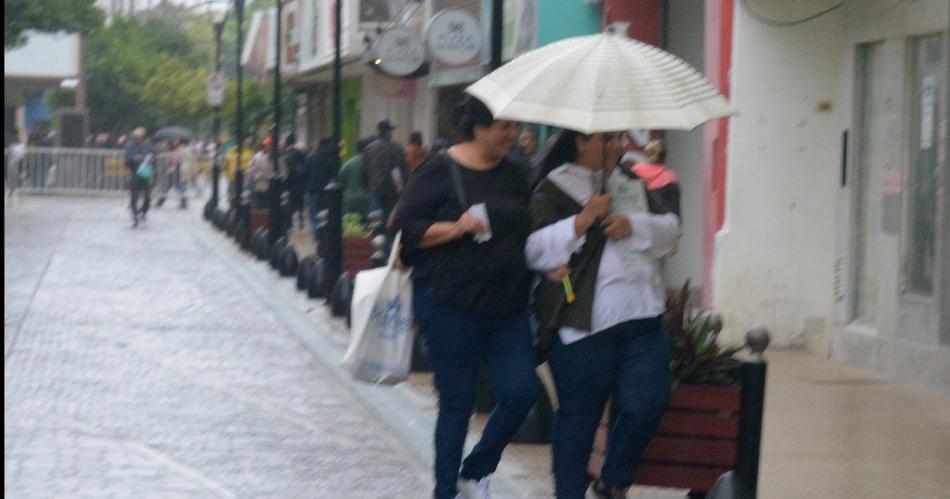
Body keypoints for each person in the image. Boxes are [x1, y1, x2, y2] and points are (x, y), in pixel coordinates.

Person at [391, 96, 539, 499]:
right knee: (457, 402)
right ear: (478, 128)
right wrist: (455, 227)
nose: (513, 134)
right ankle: (445, 491)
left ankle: (474, 470)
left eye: (514, 126)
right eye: (504, 127)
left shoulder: (516, 173)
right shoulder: (439, 169)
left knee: (521, 391)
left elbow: (529, 228)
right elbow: (403, 228)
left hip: (507, 305)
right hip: (448, 304)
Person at [525, 130, 679, 499]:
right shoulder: (552, 188)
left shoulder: (630, 181)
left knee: (649, 399)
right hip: (582, 326)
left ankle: (611, 482)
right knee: (579, 418)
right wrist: (581, 220)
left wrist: (635, 226)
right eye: (606, 139)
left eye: (618, 139)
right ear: (580, 141)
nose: (615, 146)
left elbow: (672, 229)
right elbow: (533, 250)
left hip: (642, 317)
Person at [364, 119, 408, 220]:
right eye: (391, 131)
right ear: (387, 132)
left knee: (375, 221)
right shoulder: (397, 148)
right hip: (391, 191)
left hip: (374, 189)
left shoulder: (369, 149)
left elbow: (364, 171)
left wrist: (368, 187)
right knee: (390, 219)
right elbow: (402, 170)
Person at [630, 138, 681, 219]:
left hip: (651, 224)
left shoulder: (669, 178)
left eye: (652, 151)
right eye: (649, 151)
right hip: (649, 224)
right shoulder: (634, 172)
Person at [305, 137, 341, 241]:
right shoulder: (332, 158)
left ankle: (317, 237)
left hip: (313, 191)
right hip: (327, 191)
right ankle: (325, 236)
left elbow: (305, 173)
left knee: (314, 216)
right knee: (326, 215)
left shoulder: (311, 157)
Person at [124, 127, 154, 227]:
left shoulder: (148, 146)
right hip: (135, 174)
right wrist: (134, 158)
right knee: (134, 197)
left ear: (143, 137)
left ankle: (143, 211)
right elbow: (126, 161)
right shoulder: (130, 147)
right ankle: (135, 217)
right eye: (135, 137)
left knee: (148, 197)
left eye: (139, 137)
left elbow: (154, 156)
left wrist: (150, 159)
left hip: (145, 174)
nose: (137, 139)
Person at [338, 137, 372, 217]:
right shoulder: (370, 162)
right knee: (365, 223)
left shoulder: (349, 163)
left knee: (350, 222)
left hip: (349, 198)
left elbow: (341, 179)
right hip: (366, 198)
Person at [282, 134, 309, 228]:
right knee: (300, 202)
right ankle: (300, 216)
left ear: (287, 143)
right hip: (299, 182)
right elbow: (306, 167)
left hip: (287, 183)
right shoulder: (300, 153)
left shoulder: (284, 153)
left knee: (289, 202)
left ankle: (289, 222)